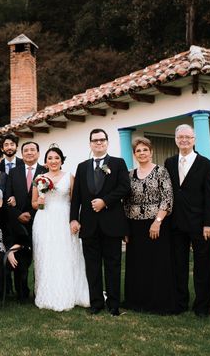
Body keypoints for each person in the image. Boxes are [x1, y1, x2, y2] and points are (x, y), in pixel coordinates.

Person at [70, 128, 131, 316]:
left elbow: (125, 188)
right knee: (92, 266)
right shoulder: (82, 166)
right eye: (95, 140)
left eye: (102, 140)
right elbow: (77, 196)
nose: (99, 143)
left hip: (111, 223)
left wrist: (105, 201)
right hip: (89, 225)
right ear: (90, 144)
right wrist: (73, 218)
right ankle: (96, 303)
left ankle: (113, 305)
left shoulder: (118, 163)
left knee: (113, 265)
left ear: (107, 142)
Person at [164, 124, 210, 317]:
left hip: (200, 223)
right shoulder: (169, 162)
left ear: (194, 140)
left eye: (188, 137)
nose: (184, 140)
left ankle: (202, 306)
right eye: (180, 137)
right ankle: (180, 303)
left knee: (202, 266)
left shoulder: (206, 164)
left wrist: (209, 223)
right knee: (179, 265)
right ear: (176, 140)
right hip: (176, 223)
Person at [32, 146, 89, 311]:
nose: (53, 161)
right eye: (50, 158)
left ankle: (71, 291)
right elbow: (34, 203)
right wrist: (39, 204)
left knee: (65, 253)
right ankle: (48, 292)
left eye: (56, 158)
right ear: (45, 161)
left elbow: (75, 201)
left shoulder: (69, 177)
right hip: (44, 219)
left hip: (63, 218)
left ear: (61, 160)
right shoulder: (40, 178)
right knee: (47, 254)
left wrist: (75, 220)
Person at [122, 137, 176, 314]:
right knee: (137, 264)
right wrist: (126, 228)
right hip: (134, 225)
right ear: (134, 154)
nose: (142, 153)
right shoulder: (129, 174)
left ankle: (159, 302)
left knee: (157, 263)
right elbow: (126, 202)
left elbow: (167, 198)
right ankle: (137, 301)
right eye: (138, 151)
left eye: (145, 150)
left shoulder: (161, 171)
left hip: (156, 224)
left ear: (151, 152)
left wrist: (157, 222)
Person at [5, 140, 45, 301]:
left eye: (32, 150)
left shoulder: (45, 171)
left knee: (41, 257)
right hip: (18, 222)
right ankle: (22, 293)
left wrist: (30, 212)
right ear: (22, 154)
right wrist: (17, 214)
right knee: (21, 259)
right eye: (26, 150)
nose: (29, 152)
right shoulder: (14, 172)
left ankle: (41, 291)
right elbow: (8, 195)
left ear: (38, 153)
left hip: (39, 219)